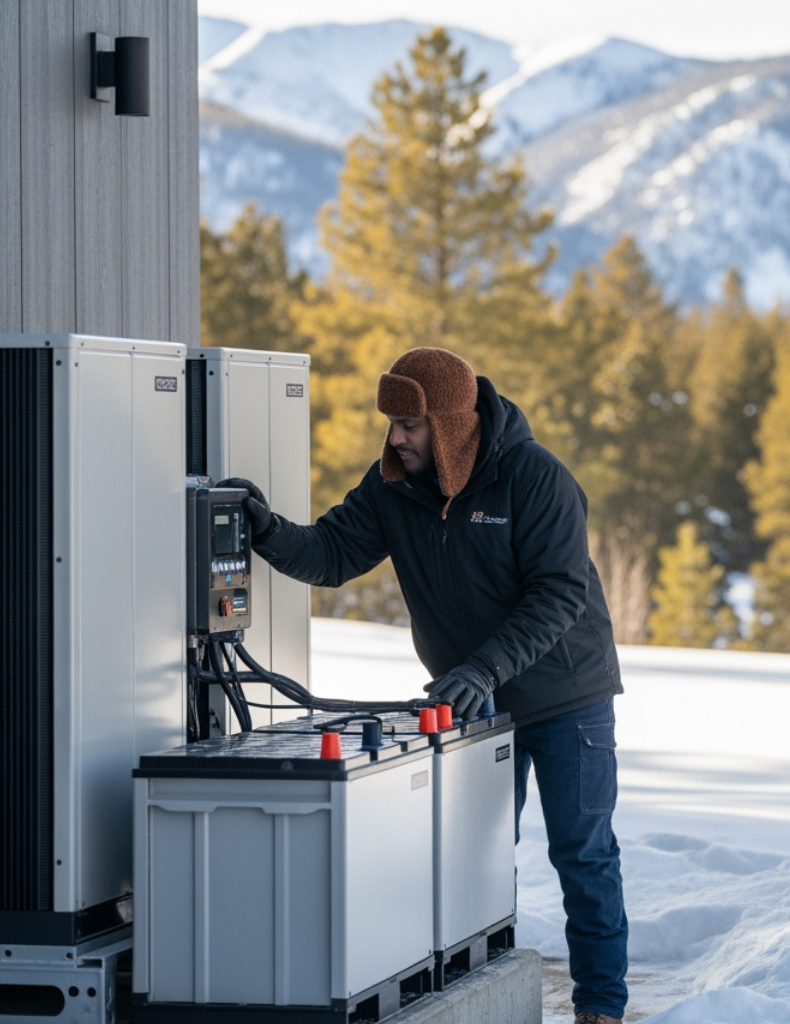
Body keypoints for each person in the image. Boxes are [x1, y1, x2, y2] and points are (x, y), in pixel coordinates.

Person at [222, 346, 628, 1024]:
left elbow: (559, 594)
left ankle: (601, 1007)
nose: (395, 439)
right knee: (479, 860)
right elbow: (331, 553)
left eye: (410, 425)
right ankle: (486, 990)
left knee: (582, 855)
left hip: (565, 698)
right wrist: (267, 533)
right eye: (391, 423)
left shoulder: (534, 479)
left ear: (450, 424)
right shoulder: (394, 487)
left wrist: (482, 668)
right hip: (475, 702)